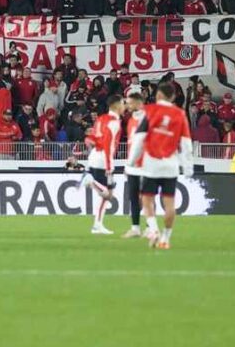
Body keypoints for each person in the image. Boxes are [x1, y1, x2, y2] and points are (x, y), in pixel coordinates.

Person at [128, 82, 192, 250]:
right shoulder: (180, 114)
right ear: (172, 97)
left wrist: (132, 159)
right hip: (171, 165)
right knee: (169, 203)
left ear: (158, 95)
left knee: (147, 199)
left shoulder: (150, 110)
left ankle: (154, 229)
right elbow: (186, 143)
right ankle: (166, 238)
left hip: (151, 164)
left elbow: (140, 138)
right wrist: (188, 167)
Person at [80, 94, 123, 235]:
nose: (125, 106)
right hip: (103, 159)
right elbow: (107, 144)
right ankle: (90, 181)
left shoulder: (101, 119)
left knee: (107, 195)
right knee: (107, 193)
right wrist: (109, 166)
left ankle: (97, 225)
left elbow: (90, 138)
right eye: (122, 104)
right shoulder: (114, 123)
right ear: (116, 106)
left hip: (95, 156)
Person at [122, 91, 146, 238]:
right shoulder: (131, 120)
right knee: (133, 196)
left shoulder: (146, 118)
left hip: (146, 164)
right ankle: (135, 227)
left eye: (130, 103)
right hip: (132, 165)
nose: (128, 105)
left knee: (147, 197)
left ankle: (151, 227)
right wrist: (128, 162)